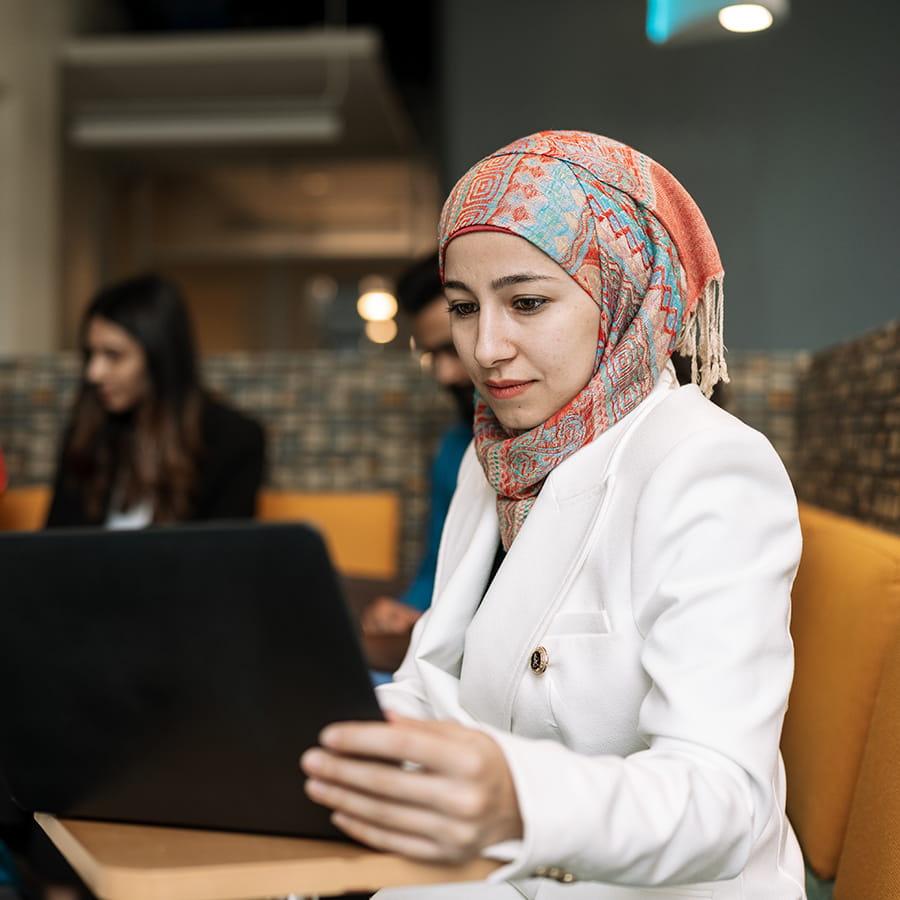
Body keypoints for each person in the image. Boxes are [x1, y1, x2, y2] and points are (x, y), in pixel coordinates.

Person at [301, 131, 805, 898]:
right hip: (506, 874)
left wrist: (518, 798)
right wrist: (311, 734)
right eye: (463, 308)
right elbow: (433, 680)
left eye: (527, 302)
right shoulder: (492, 455)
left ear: (623, 292)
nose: (485, 348)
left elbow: (721, 801)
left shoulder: (708, 464)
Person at [45, 273, 265, 528]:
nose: (93, 373)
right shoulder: (87, 435)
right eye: (90, 354)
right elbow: (54, 544)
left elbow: (226, 548)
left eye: (114, 355)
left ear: (159, 357)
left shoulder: (234, 440)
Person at [361, 252, 474, 670]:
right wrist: (404, 611)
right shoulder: (454, 448)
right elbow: (438, 566)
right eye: (433, 356)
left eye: (453, 349)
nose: (445, 375)